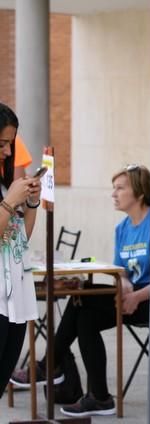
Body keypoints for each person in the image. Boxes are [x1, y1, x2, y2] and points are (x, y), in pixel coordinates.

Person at [10, 164, 150, 417]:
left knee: (83, 304)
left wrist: (137, 295)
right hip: (128, 296)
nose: (114, 194)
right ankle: (98, 396)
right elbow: (119, 270)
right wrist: (123, 281)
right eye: (113, 188)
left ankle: (51, 366)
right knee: (83, 308)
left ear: (140, 192)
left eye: (120, 188)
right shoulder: (122, 228)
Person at [0, 103, 42, 396]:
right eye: (2, 143)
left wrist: (30, 202)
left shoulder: (5, 183)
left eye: (9, 144)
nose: (6, 152)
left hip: (13, 293)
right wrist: (9, 202)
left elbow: (20, 237)